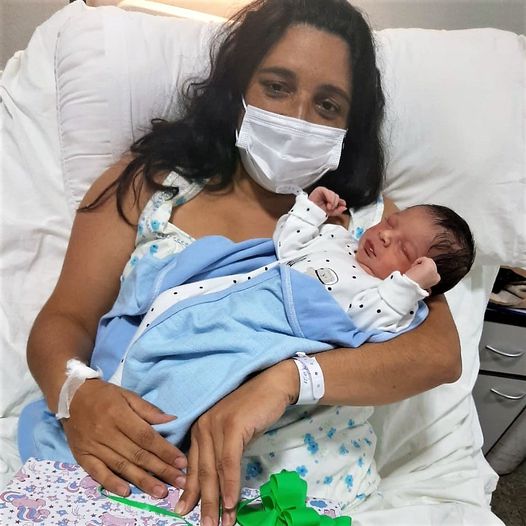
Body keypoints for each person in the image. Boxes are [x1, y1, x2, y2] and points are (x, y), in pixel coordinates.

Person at [23, 1, 463, 525]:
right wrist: (77, 393)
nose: (297, 117)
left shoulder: (377, 227)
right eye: (276, 87)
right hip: (146, 467)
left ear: (351, 125)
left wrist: (285, 380)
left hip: (303, 493)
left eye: (328, 105)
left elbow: (439, 355)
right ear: (237, 89)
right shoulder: (154, 185)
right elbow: (66, 317)